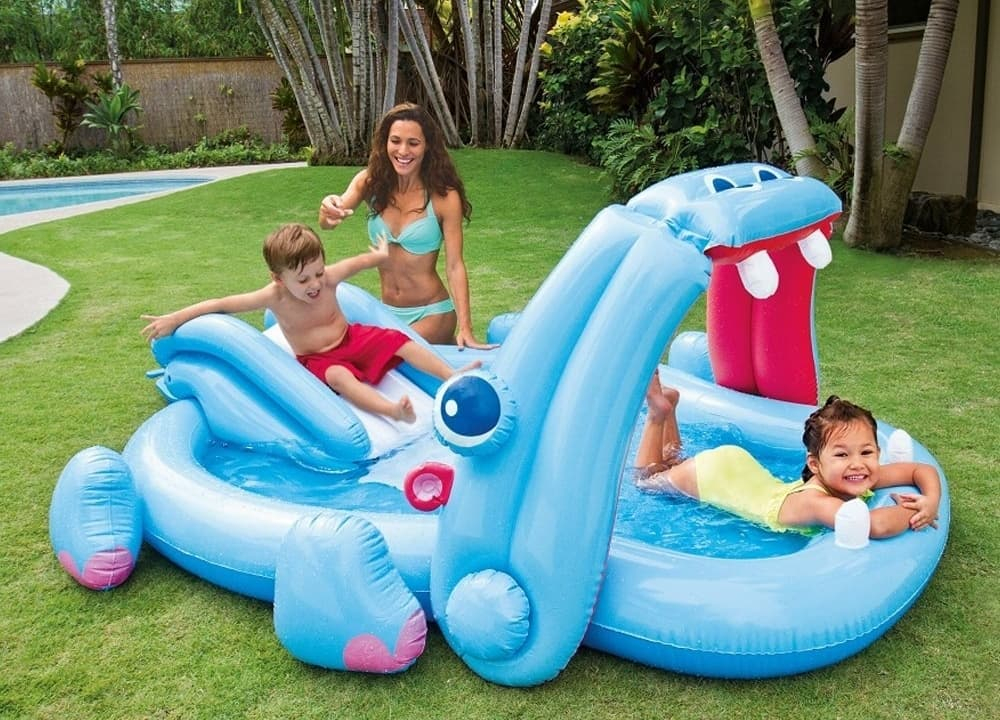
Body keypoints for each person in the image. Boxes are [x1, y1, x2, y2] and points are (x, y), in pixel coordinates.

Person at [141, 223, 479, 424]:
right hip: (318, 359)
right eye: (303, 280)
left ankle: (451, 375)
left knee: (398, 340)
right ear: (278, 278)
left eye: (318, 272)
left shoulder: (328, 278)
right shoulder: (274, 297)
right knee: (340, 379)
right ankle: (393, 412)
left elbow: (357, 263)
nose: (315, 284)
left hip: (351, 338)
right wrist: (176, 318)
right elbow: (221, 304)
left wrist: (378, 256)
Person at [635, 371, 941, 538]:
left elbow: (919, 470)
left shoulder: (855, 475)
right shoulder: (816, 502)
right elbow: (874, 525)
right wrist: (918, 512)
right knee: (646, 482)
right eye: (842, 455)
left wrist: (931, 499)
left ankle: (668, 409)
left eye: (867, 452)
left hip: (737, 471)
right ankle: (657, 414)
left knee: (671, 464)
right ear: (815, 464)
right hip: (713, 478)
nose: (857, 464)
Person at [318, 102, 493, 349]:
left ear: (427, 146)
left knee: (381, 351)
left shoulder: (444, 197)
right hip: (387, 313)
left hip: (433, 313)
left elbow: (455, 266)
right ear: (385, 143)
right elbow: (330, 220)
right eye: (395, 141)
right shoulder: (370, 183)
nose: (403, 151)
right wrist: (328, 208)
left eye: (413, 143)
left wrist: (466, 328)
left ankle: (448, 342)